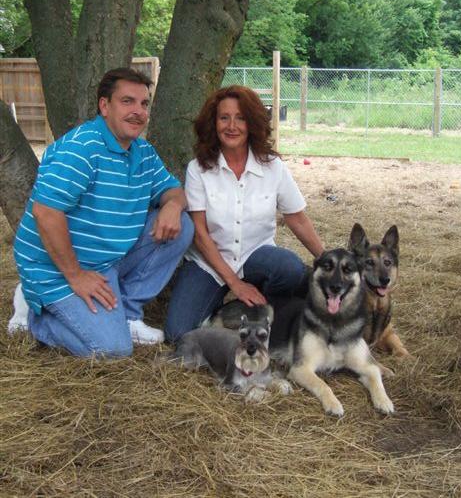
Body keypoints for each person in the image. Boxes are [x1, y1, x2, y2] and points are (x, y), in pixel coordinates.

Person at [9, 68, 194, 357]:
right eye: (127, 101)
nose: (138, 111)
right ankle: (36, 316)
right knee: (112, 350)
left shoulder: (142, 152)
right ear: (104, 106)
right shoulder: (81, 149)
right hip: (57, 269)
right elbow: (46, 213)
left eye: (144, 104)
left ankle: (129, 315)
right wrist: (76, 275)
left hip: (107, 260)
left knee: (182, 223)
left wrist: (172, 204)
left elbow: (174, 191)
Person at [164, 85, 325, 341]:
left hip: (255, 256)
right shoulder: (198, 169)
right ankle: (227, 308)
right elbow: (200, 234)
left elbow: (297, 218)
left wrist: (327, 260)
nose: (232, 126)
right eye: (224, 117)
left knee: (290, 268)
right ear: (213, 123)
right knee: (179, 334)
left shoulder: (273, 167)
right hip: (211, 263)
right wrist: (235, 284)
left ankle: (266, 312)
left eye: (240, 118)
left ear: (252, 123)